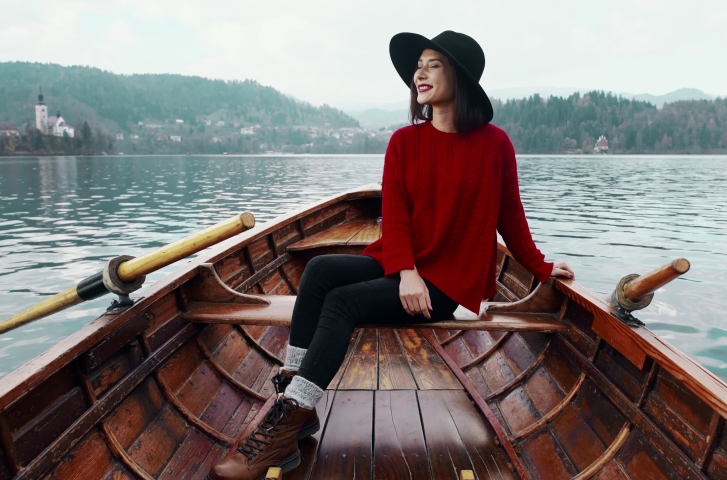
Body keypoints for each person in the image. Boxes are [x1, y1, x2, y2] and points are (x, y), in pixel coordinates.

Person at [207, 30, 575, 480]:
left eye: (433, 64)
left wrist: (539, 266)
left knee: (344, 302)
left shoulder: (494, 144)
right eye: (418, 65)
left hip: (446, 282)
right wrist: (405, 270)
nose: (420, 72)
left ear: (459, 78)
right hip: (407, 267)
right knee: (320, 271)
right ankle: (293, 403)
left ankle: (291, 415)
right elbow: (395, 215)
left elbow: (510, 216)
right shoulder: (405, 141)